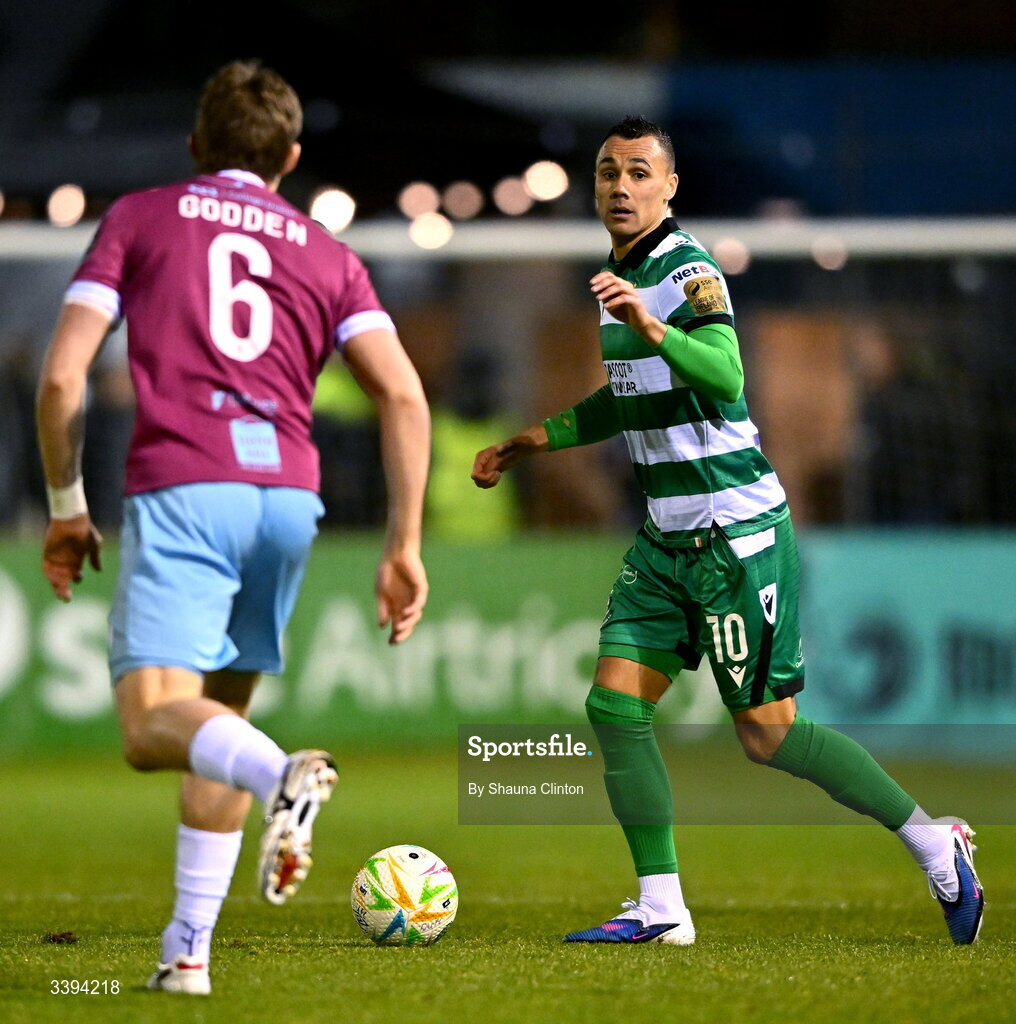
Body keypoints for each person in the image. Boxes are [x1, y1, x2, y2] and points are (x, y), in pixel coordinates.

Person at [471, 115, 983, 947]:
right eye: (608, 173)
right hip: (667, 538)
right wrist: (540, 437)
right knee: (612, 705)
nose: (621, 187)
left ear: (670, 187)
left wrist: (651, 324)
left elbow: (723, 371)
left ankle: (934, 842)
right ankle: (662, 907)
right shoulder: (619, 275)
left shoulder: (688, 270)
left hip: (733, 536)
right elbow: (632, 394)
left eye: (639, 172)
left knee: (767, 735)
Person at [36, 60, 431, 994]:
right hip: (288, 501)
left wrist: (65, 509)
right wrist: (404, 542)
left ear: (193, 147)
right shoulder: (327, 252)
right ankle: (187, 955)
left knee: (148, 730)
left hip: (187, 486)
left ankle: (282, 778)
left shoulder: (140, 216)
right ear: (290, 158)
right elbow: (404, 393)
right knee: (217, 714)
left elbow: (60, 381)